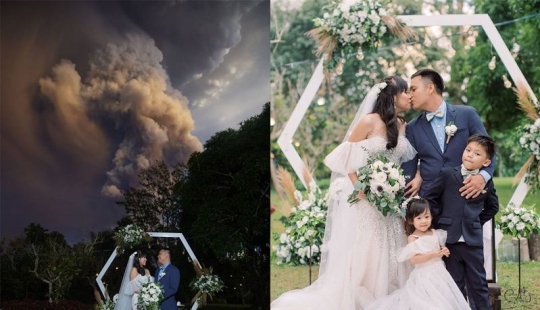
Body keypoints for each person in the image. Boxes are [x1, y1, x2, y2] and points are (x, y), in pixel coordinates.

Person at [271, 76, 416, 310]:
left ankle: (389, 295)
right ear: (392, 96)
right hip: (367, 201)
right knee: (368, 248)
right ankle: (360, 296)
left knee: (391, 246)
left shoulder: (401, 124)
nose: (409, 95)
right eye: (405, 91)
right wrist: (361, 187)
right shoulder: (369, 121)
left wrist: (392, 185)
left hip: (391, 200)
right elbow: (346, 156)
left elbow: (398, 161)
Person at [424, 135, 499, 309]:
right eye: (468, 150)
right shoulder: (448, 174)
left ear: (486, 162)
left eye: (477, 153)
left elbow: (493, 207)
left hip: (472, 242)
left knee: (478, 284)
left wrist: (475, 221)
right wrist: (441, 221)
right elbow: (430, 198)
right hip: (449, 241)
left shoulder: (485, 182)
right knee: (453, 284)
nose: (470, 155)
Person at [402, 68, 495, 198]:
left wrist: (483, 177)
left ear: (430, 88)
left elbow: (489, 151)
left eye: (413, 89)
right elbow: (408, 170)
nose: (410, 95)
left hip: (466, 194)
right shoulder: (411, 127)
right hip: (430, 200)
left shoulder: (467, 114)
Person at [366, 198, 471, 310]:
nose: (423, 221)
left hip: (440, 274)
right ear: (411, 220)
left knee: (442, 299)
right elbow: (414, 260)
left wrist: (444, 250)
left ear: (431, 217)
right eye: (419, 218)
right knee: (427, 302)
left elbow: (440, 247)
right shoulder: (413, 238)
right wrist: (433, 255)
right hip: (424, 276)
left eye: (427, 217)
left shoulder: (435, 233)